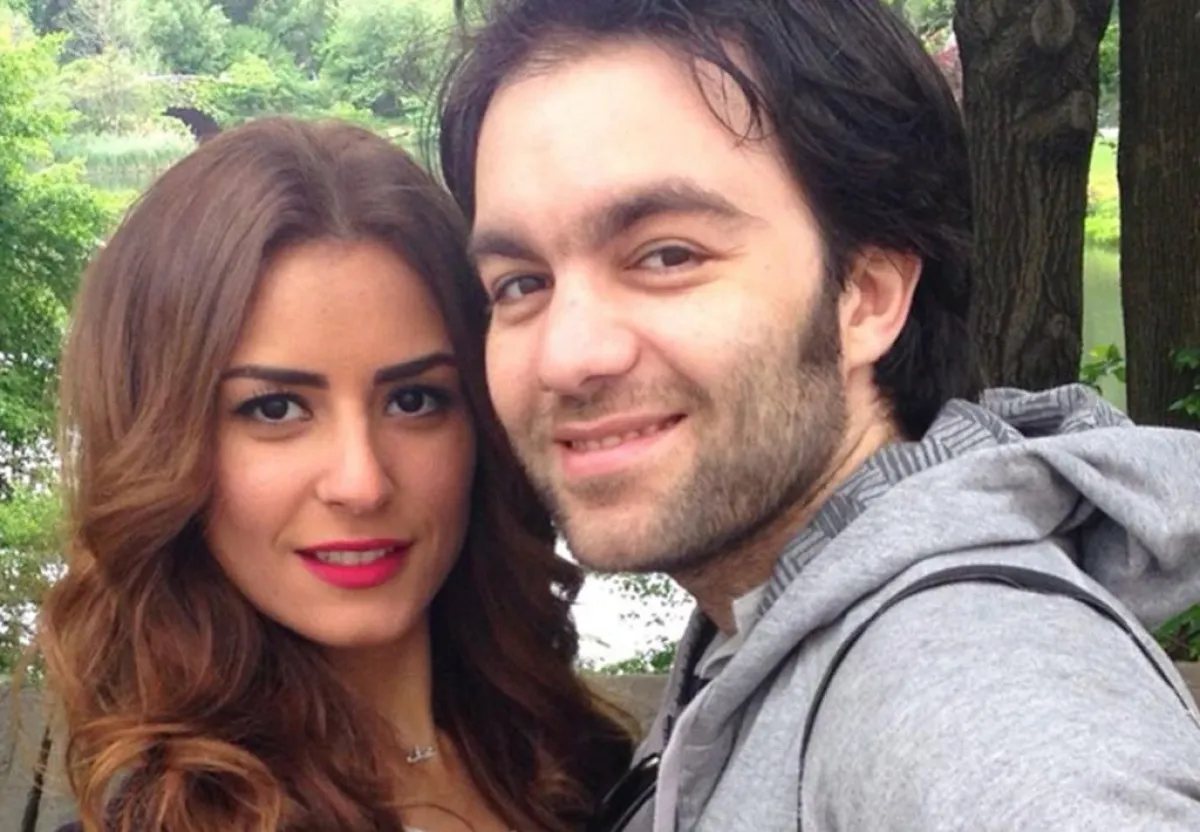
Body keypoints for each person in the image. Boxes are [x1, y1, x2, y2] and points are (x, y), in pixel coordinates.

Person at [437, 0, 1200, 829]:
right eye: (521, 283)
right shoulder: (764, 621)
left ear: (866, 296)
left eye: (666, 256)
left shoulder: (969, 700)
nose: (565, 355)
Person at [39, 116, 633, 832]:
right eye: (275, 408)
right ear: (161, 445)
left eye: (414, 400)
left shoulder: (597, 772)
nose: (362, 483)